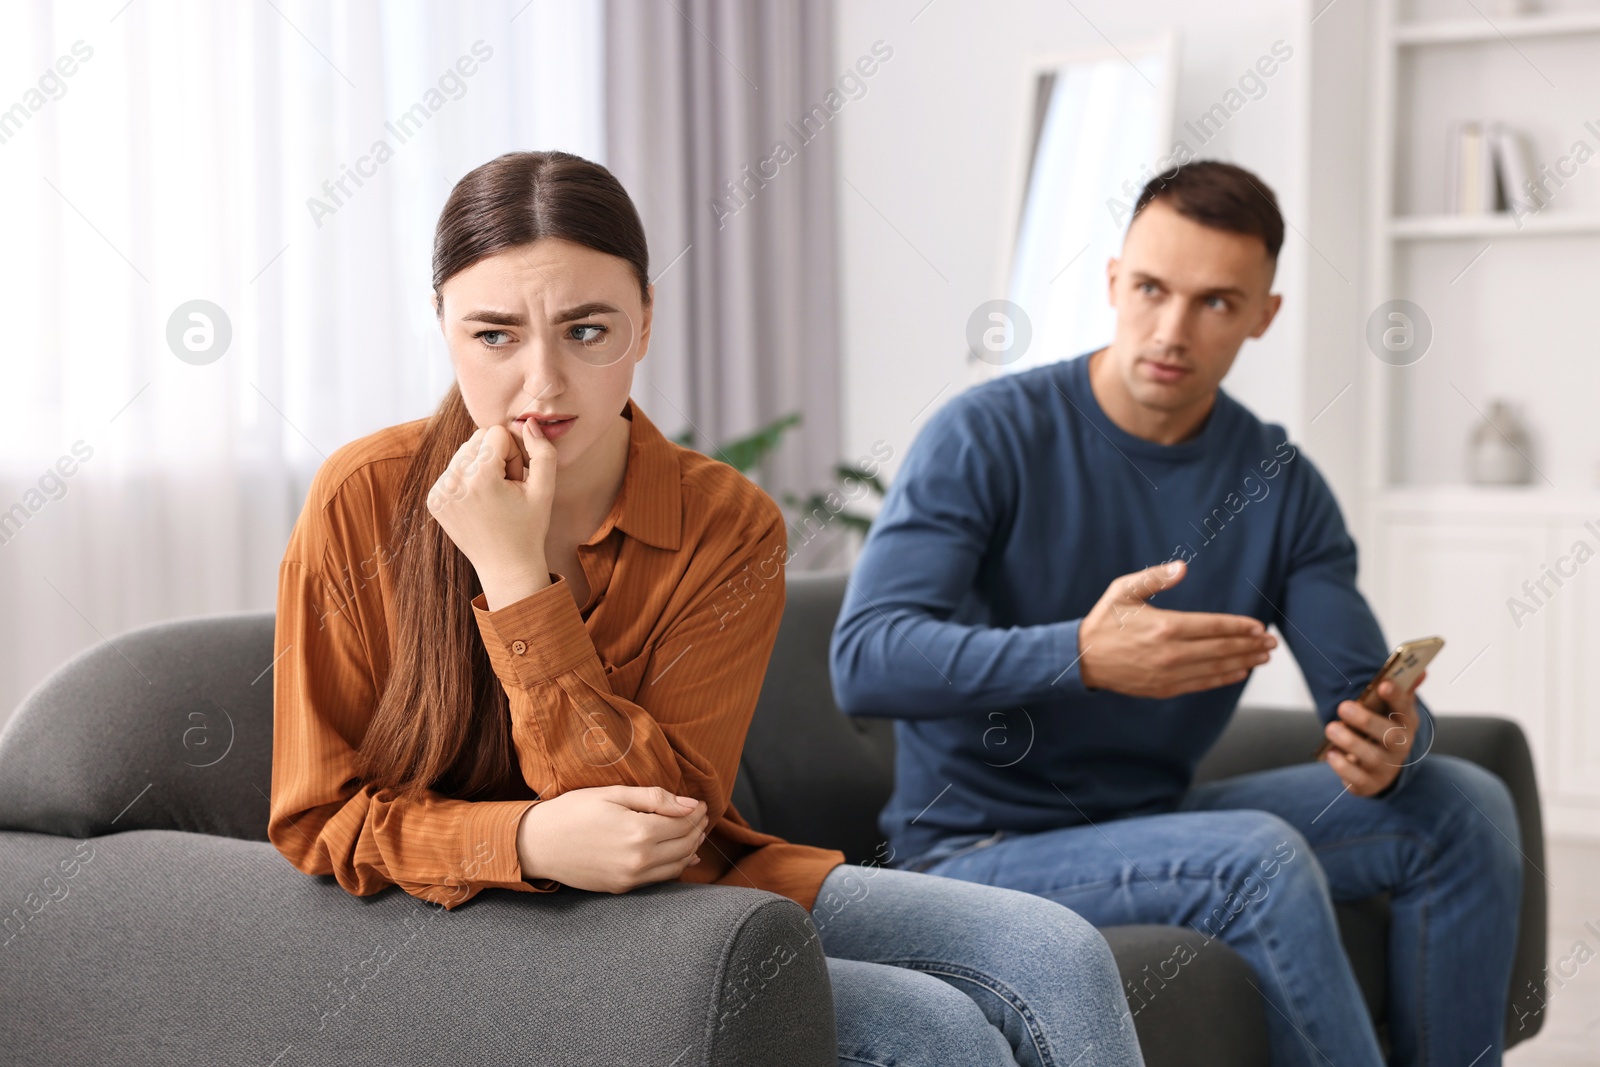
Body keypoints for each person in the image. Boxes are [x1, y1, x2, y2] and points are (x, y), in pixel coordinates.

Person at [268, 149, 1145, 1067]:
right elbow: (317, 818)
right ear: (443, 325)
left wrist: (518, 583)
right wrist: (523, 836)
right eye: (494, 336)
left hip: (686, 891)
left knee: (1055, 948)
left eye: (587, 330)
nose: (544, 384)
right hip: (470, 915)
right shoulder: (363, 498)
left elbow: (664, 816)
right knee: (934, 1031)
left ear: (645, 321)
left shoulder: (724, 523)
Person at [830, 160, 1524, 1067]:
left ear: (1264, 315)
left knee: (1462, 802)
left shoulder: (1280, 482)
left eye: (1216, 304)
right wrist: (1080, 653)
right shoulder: (986, 434)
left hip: (1156, 817)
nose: (1171, 330)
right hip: (976, 847)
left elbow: (1359, 687)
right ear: (1114, 279)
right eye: (1151, 288)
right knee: (1256, 856)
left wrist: (1395, 738)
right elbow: (866, 658)